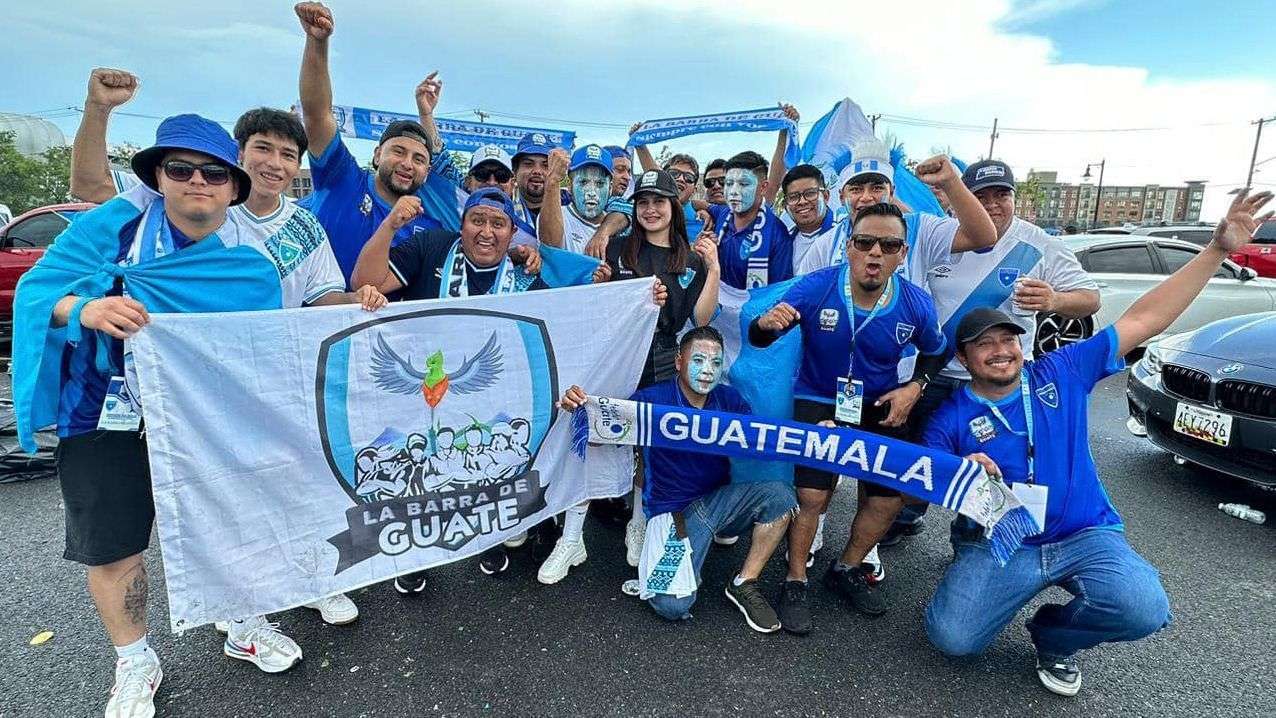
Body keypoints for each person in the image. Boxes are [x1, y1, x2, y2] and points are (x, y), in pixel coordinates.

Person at [18, 114, 370, 717]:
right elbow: (36, 290)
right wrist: (85, 309)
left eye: (212, 172)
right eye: (181, 169)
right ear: (159, 176)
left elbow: (260, 351)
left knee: (232, 525)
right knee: (114, 547)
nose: (197, 182)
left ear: (233, 186)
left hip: (203, 419)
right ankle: (134, 661)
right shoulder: (114, 229)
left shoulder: (250, 261)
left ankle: (239, 621)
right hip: (104, 415)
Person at [68, 65, 384, 643]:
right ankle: (185, 636)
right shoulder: (193, 206)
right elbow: (92, 194)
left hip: (264, 382)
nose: (276, 163)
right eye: (262, 149)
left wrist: (356, 301)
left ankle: (288, 593)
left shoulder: (303, 228)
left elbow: (319, 297)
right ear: (241, 158)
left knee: (273, 496)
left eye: (289, 155)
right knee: (170, 518)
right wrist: (98, 112)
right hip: (157, 386)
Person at [922, 189, 1271, 696]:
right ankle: (976, 571)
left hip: (1084, 534)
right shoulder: (950, 415)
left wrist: (1216, 250)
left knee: (1142, 608)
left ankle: (1054, 636)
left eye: (1008, 339)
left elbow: (1144, 319)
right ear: (965, 357)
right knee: (951, 638)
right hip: (1005, 542)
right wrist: (962, 470)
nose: (1000, 351)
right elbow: (927, 474)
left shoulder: (1059, 372)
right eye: (984, 345)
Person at [749, 202, 948, 635]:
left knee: (889, 498)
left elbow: (937, 352)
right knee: (813, 496)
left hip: (878, 402)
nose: (874, 253)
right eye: (864, 242)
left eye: (888, 245)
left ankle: (846, 568)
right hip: (819, 398)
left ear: (902, 252)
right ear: (848, 246)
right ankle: (795, 579)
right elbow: (760, 338)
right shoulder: (817, 286)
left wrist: (914, 388)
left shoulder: (915, 303)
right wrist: (766, 323)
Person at [886, 160, 1100, 544]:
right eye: (979, 195)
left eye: (1001, 194)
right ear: (959, 198)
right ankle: (904, 519)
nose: (991, 204)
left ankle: (975, 536)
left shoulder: (1039, 243)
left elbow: (1090, 299)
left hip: (1002, 385)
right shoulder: (942, 236)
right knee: (923, 458)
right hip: (936, 374)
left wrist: (1054, 299)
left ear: (1014, 197)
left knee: (994, 465)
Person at [558, 326, 797, 632]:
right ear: (679, 362)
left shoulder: (729, 399)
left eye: (715, 362)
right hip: (674, 514)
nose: (707, 371)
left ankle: (744, 582)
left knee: (780, 497)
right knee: (671, 605)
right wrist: (576, 408)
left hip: (717, 504)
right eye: (698, 360)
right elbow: (597, 439)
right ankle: (678, 562)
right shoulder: (651, 400)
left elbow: (764, 441)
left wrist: (820, 437)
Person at [570, 169, 721, 570]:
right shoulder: (617, 249)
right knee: (596, 434)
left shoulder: (689, 260)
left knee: (651, 446)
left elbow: (702, 317)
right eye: (643, 202)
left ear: (674, 207)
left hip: (660, 356)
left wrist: (715, 268)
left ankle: (638, 523)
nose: (650, 209)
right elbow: (599, 309)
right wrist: (602, 285)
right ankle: (571, 538)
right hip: (616, 353)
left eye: (659, 201)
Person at [294, 1, 446, 281]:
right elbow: (317, 115)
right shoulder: (341, 178)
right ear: (377, 155)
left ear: (426, 174)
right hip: (307, 318)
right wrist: (317, 43)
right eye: (398, 151)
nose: (407, 164)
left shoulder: (428, 229)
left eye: (419, 159)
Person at [707, 150, 795, 290]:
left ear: (763, 187)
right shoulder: (722, 213)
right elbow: (700, 204)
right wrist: (703, 213)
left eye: (743, 184)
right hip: (714, 307)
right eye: (729, 183)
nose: (733, 191)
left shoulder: (778, 235)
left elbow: (778, 292)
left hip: (754, 309)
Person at [537, 144, 617, 254]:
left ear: (610, 188)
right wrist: (553, 180)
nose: (592, 193)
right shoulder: (557, 215)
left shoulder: (617, 224)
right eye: (583, 182)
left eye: (600, 183)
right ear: (570, 186)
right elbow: (550, 249)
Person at [781, 164, 837, 274]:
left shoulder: (843, 236)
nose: (802, 202)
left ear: (826, 196)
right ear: (785, 205)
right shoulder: (781, 243)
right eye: (793, 197)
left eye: (810, 193)